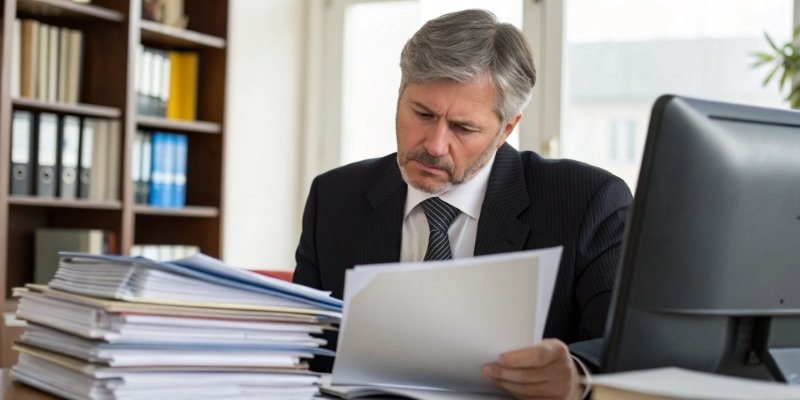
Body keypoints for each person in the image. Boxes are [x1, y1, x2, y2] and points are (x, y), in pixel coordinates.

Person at [293, 9, 632, 400]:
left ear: (507, 128)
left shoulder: (587, 200)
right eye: (422, 114)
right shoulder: (334, 198)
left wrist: (576, 373)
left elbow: (625, 343)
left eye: (463, 128)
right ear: (400, 95)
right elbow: (306, 351)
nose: (434, 145)